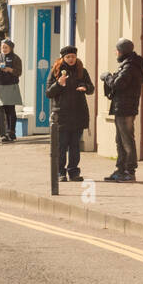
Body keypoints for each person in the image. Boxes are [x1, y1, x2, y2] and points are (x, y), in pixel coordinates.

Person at [45, 45, 94, 182]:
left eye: (73, 56)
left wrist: (86, 88)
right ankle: (60, 172)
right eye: (68, 57)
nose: (71, 59)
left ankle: (73, 171)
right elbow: (49, 92)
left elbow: (91, 88)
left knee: (75, 146)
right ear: (63, 58)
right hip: (61, 114)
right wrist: (59, 84)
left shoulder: (81, 71)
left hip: (78, 113)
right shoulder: (56, 71)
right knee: (61, 146)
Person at [103, 38, 143, 182]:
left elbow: (118, 84)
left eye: (117, 50)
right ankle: (120, 169)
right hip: (121, 107)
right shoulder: (128, 65)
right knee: (120, 140)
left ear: (122, 51)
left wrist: (107, 77)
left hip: (126, 108)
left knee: (127, 140)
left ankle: (129, 170)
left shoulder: (130, 66)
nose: (116, 53)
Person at [0, 39, 23, 142]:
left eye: (6, 47)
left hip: (11, 85)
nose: (4, 49)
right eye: (2, 47)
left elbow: (19, 72)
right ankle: (6, 131)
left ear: (11, 48)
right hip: (1, 85)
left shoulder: (16, 58)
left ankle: (11, 131)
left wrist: (10, 70)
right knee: (4, 109)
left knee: (11, 109)